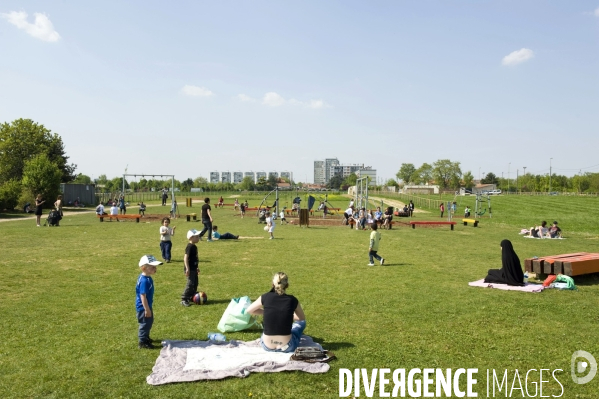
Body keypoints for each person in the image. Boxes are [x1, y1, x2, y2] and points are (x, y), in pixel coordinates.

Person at [246, 272, 306, 353]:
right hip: (287, 346)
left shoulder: (265, 297)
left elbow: (249, 310)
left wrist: (267, 312)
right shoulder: (292, 300)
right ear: (287, 285)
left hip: (267, 346)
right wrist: (285, 315)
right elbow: (301, 318)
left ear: (272, 284)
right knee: (301, 324)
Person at [136, 254, 162, 349]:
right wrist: (146, 309)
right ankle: (142, 341)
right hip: (143, 307)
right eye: (152, 267)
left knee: (149, 322)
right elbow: (143, 296)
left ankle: (146, 337)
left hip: (146, 306)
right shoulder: (145, 281)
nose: (155, 269)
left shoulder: (147, 278)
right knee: (145, 323)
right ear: (144, 268)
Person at [181, 230, 201, 307]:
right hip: (190, 269)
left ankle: (191, 296)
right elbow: (185, 258)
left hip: (194, 268)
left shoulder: (194, 246)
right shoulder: (189, 247)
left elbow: (195, 258)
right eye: (196, 237)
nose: (198, 238)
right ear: (191, 238)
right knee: (190, 284)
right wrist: (187, 268)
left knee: (195, 283)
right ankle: (184, 298)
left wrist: (197, 267)